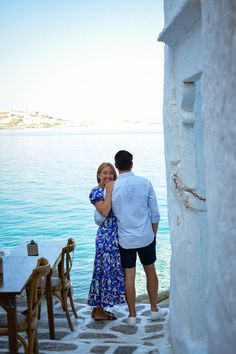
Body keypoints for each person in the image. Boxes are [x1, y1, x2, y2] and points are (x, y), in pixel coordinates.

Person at [112, 150, 167, 326]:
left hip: (125, 239)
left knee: (129, 276)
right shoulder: (145, 183)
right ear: (132, 164)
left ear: (116, 165)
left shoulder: (112, 187)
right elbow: (155, 215)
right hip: (146, 237)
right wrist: (153, 234)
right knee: (150, 270)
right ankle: (153, 310)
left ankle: (132, 316)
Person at [88, 162, 126, 320]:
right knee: (103, 273)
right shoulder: (96, 192)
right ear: (98, 175)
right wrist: (109, 191)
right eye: (105, 173)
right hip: (106, 238)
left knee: (109, 272)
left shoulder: (112, 190)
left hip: (115, 237)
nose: (108, 176)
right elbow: (104, 210)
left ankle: (100, 308)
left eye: (111, 173)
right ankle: (98, 310)